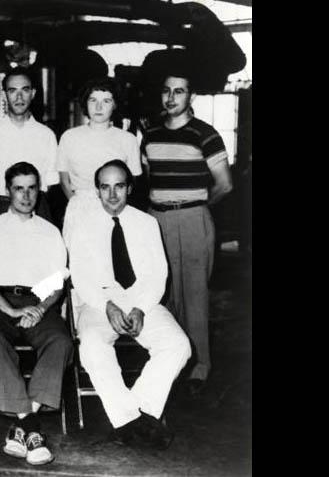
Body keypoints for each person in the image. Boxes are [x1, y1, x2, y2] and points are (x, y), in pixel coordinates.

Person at [68, 159, 191, 449]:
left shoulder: (147, 223)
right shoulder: (83, 226)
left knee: (179, 345)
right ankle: (132, 420)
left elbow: (158, 274)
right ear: (97, 191)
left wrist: (140, 307)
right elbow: (81, 276)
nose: (112, 195)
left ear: (130, 188)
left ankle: (135, 415)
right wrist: (107, 305)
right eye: (105, 187)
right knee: (92, 345)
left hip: (140, 300)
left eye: (119, 186)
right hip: (98, 302)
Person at [0, 162, 72, 466]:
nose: (26, 195)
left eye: (32, 188)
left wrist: (39, 308)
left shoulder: (49, 231)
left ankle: (21, 425)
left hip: (38, 300)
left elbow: (57, 280)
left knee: (61, 341)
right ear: (8, 191)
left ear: (38, 190)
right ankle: (32, 427)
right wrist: (11, 310)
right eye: (19, 188)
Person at [141, 72, 233, 397]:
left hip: (194, 219)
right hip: (158, 222)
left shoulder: (205, 135)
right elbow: (151, 178)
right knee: (162, 294)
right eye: (166, 91)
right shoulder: (150, 134)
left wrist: (196, 203)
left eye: (179, 91)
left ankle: (200, 367)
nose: (171, 98)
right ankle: (170, 362)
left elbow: (225, 184)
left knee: (194, 295)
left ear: (190, 96)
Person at [56, 77, 142, 244]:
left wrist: (112, 208)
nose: (99, 107)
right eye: (93, 100)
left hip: (116, 209)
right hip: (79, 207)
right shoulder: (70, 137)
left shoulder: (127, 139)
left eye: (106, 101)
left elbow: (133, 182)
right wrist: (80, 206)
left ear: (115, 104)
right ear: (85, 103)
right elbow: (64, 181)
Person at [0, 68, 58, 222]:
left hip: (37, 208)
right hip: (2, 207)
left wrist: (31, 201)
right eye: (12, 90)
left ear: (33, 93)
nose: (19, 97)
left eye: (25, 90)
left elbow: (52, 182)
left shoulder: (46, 135)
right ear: (4, 95)